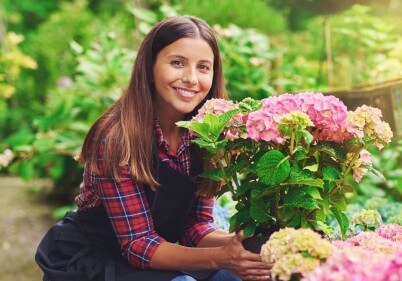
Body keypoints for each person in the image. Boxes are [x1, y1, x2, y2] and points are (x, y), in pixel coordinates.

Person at [35, 15, 272, 281]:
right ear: (149, 68)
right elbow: (138, 244)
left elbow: (195, 226)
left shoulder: (205, 135)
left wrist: (243, 246)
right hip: (96, 260)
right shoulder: (116, 139)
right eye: (177, 63)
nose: (191, 78)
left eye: (203, 67)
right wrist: (221, 257)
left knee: (233, 276)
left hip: (155, 252)